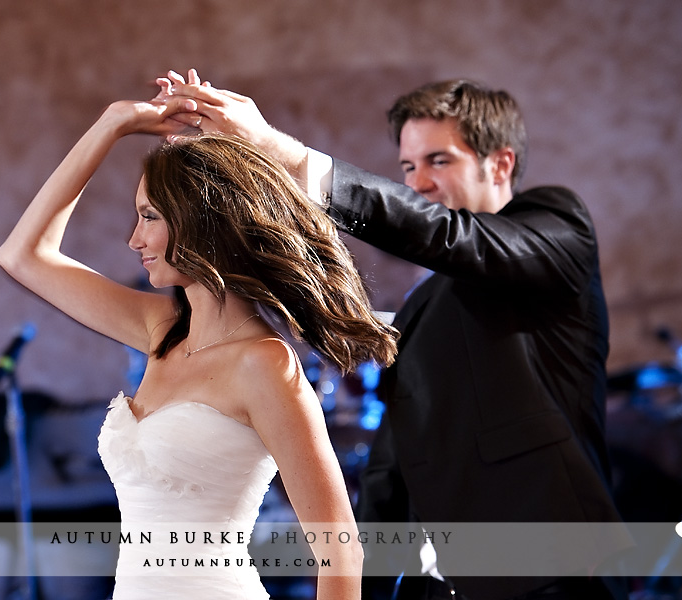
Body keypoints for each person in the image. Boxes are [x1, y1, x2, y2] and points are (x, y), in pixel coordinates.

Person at [160, 70, 633, 600]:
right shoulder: (421, 304)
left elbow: (444, 234)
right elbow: (395, 457)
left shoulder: (558, 226)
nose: (418, 183)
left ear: (500, 164)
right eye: (408, 166)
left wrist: (279, 150)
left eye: (439, 160)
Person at [0, 90, 399, 599]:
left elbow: (340, 547)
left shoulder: (265, 364)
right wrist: (113, 124)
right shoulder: (160, 329)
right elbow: (23, 255)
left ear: (199, 221)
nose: (133, 240)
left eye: (149, 217)